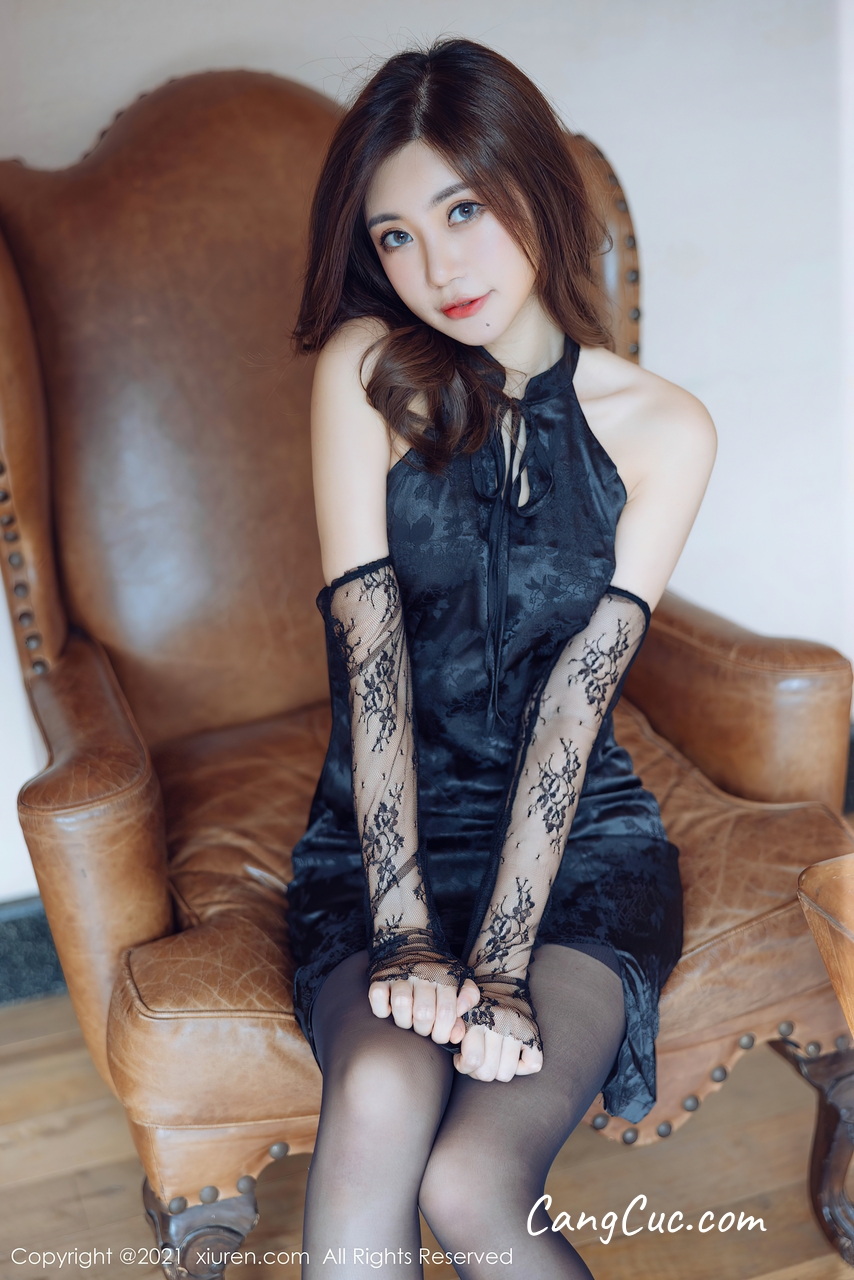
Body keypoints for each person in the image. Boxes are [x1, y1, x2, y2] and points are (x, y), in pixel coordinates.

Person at [286, 37, 716, 1280]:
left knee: (471, 1179)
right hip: (376, 847)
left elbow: (576, 705)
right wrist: (407, 936)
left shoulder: (664, 429)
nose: (436, 267)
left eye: (462, 209)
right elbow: (370, 663)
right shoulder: (366, 375)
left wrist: (500, 967)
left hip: (580, 852)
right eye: (396, 235)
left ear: (533, 183)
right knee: (378, 1092)